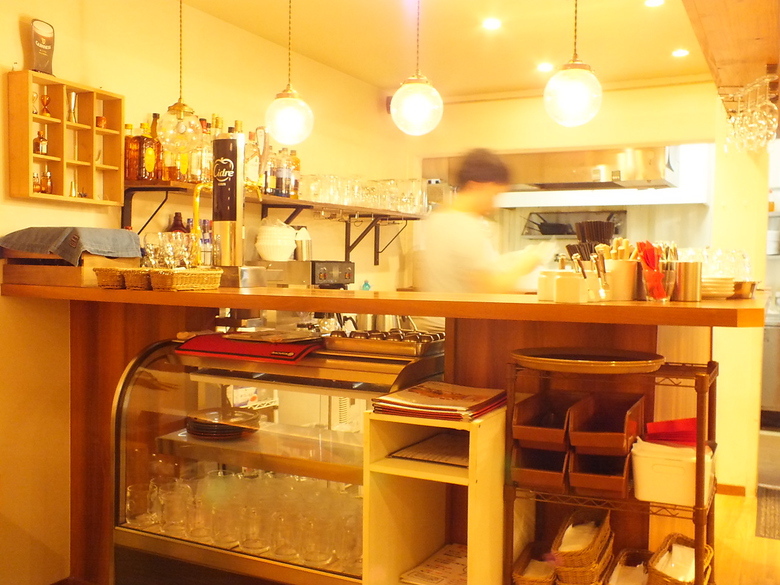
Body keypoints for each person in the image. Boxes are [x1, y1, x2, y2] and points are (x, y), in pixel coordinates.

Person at [419, 148, 553, 295]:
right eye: (494, 194)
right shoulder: (465, 227)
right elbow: (489, 288)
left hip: (443, 309)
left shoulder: (438, 218)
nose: (495, 204)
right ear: (474, 186)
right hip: (461, 310)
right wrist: (526, 265)